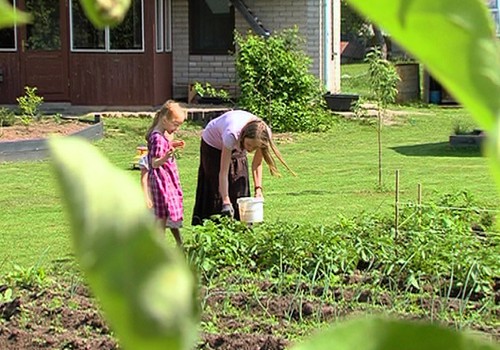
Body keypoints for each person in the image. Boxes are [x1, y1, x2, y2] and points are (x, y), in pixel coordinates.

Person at [192, 110, 295, 225]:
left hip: (237, 141)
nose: (250, 149)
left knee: (239, 184)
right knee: (216, 187)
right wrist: (226, 201)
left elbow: (256, 164)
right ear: (243, 137)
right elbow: (223, 172)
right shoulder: (231, 134)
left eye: (255, 147)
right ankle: (214, 228)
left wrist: (258, 189)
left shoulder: (264, 135)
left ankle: (243, 227)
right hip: (213, 144)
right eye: (249, 145)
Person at [145, 100, 186, 247]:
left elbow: (163, 147)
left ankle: (178, 242)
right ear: (164, 119)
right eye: (175, 124)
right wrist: (166, 157)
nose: (177, 128)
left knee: (169, 211)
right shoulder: (157, 138)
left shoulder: (162, 135)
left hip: (166, 179)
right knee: (162, 215)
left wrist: (173, 145)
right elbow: (154, 163)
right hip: (161, 181)